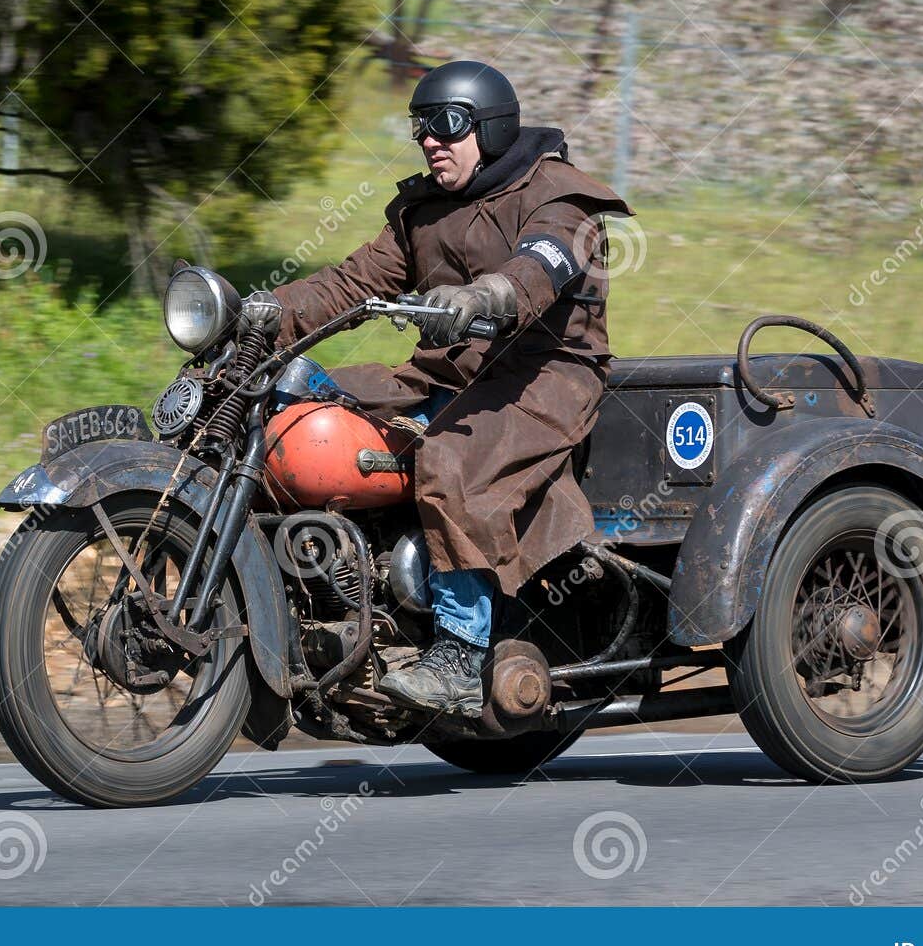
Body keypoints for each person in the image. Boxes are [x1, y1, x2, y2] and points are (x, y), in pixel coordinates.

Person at [239, 60, 630, 717]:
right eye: (420, 127)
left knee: (446, 458)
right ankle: (338, 592)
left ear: (491, 128)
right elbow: (347, 284)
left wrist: (484, 297)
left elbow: (538, 269)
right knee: (307, 396)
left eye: (447, 125)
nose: (430, 141)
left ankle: (458, 652)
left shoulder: (562, 199)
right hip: (451, 372)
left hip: (546, 375)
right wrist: (264, 313)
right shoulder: (424, 211)